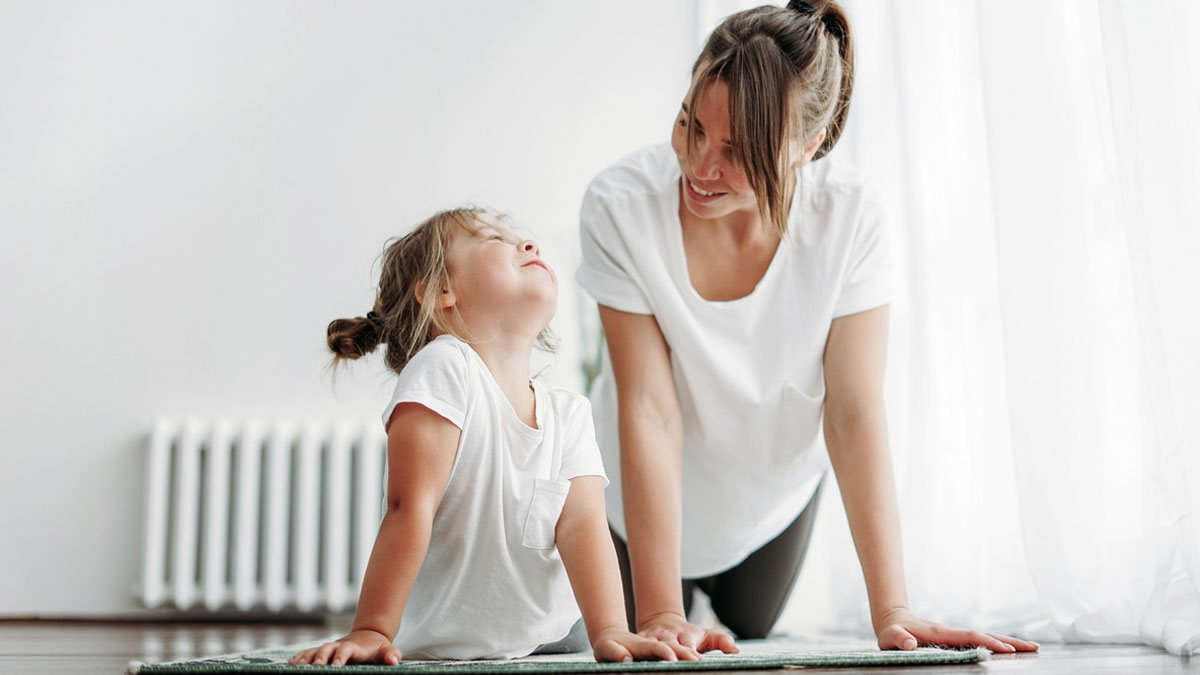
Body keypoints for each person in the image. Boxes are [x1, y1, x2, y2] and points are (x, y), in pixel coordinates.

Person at [576, 0, 1039, 655]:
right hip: (630, 509)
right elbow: (649, 408)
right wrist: (658, 609)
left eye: (737, 151)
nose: (699, 166)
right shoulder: (619, 205)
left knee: (754, 635)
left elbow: (852, 410)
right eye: (690, 124)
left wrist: (893, 607)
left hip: (770, 503)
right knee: (635, 645)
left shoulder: (851, 219)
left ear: (809, 146)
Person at [291, 208, 685, 665]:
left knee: (583, 623)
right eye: (493, 237)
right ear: (441, 291)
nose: (528, 244)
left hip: (555, 636)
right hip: (446, 641)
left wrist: (612, 630)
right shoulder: (443, 369)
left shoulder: (570, 411)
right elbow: (408, 507)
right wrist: (371, 629)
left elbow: (584, 526)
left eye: (519, 236)